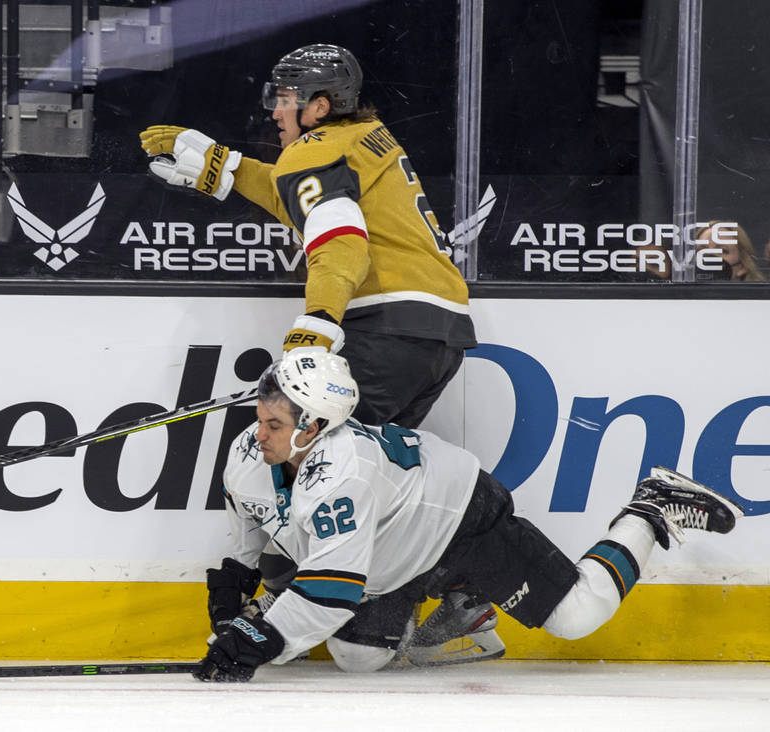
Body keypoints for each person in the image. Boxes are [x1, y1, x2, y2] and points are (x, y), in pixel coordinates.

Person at [140, 43, 487, 658]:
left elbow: (341, 241)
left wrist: (318, 325)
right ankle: (444, 598)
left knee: (319, 468)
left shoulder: (315, 147)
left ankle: (443, 590)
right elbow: (307, 202)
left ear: (319, 105)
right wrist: (224, 169)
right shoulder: (365, 137)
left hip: (384, 329)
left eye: (286, 97)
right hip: (436, 335)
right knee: (375, 486)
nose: (276, 108)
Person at [194, 350, 743, 682]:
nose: (256, 433)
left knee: (578, 614)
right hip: (387, 553)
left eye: (271, 423)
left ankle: (649, 508)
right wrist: (231, 598)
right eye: (260, 418)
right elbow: (248, 525)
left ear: (313, 426)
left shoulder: (345, 473)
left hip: (461, 523)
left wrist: (263, 641)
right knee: (358, 658)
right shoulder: (253, 453)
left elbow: (334, 588)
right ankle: (454, 609)